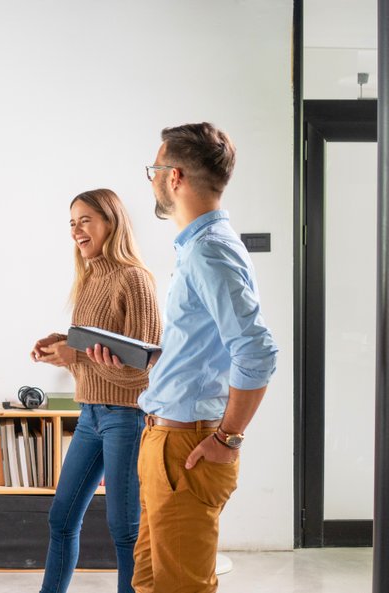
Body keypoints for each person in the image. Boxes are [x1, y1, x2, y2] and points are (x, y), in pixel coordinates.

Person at [130, 123, 278, 593]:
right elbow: (202, 348)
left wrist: (228, 437)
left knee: (181, 588)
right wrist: (143, 359)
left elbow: (256, 350)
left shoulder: (209, 251)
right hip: (165, 439)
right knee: (150, 581)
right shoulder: (198, 247)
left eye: (154, 169)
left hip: (187, 448)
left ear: (174, 177)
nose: (151, 179)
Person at [31, 189, 162, 593]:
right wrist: (60, 343)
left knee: (124, 531)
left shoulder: (135, 280)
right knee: (61, 519)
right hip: (89, 415)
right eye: (72, 223)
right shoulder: (90, 278)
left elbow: (145, 372)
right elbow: (94, 342)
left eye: (85, 220)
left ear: (112, 221)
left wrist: (77, 355)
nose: (76, 231)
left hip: (126, 416)